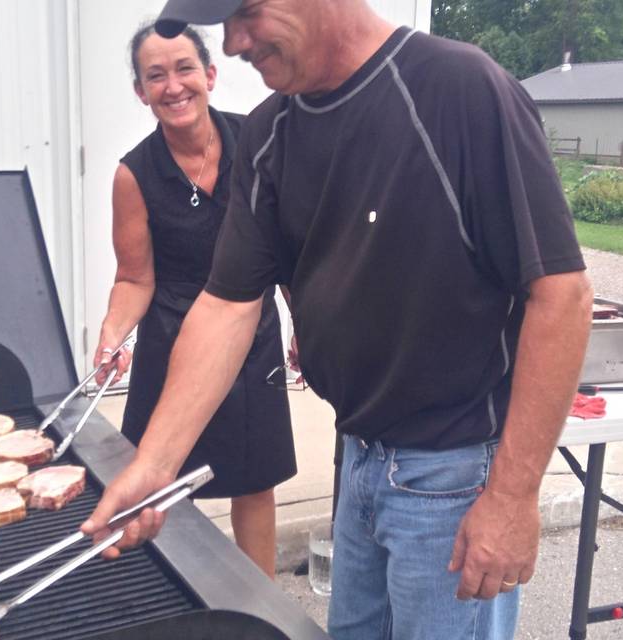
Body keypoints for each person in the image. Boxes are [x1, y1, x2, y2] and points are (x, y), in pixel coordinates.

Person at [82, 1, 594, 638]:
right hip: (358, 456)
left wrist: (515, 497)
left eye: (245, 12)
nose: (234, 42)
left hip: (455, 471)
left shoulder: (458, 90)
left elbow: (561, 295)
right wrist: (154, 470)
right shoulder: (272, 133)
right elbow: (227, 306)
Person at [90, 21, 297, 578]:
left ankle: (264, 611)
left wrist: (305, 322)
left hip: (251, 338)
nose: (173, 85)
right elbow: (135, 279)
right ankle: (162, 600)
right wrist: (113, 333)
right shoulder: (133, 174)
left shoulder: (257, 143)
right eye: (155, 75)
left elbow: (289, 248)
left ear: (209, 74)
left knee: (255, 484)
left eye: (184, 68)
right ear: (141, 91)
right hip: (172, 344)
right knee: (156, 489)